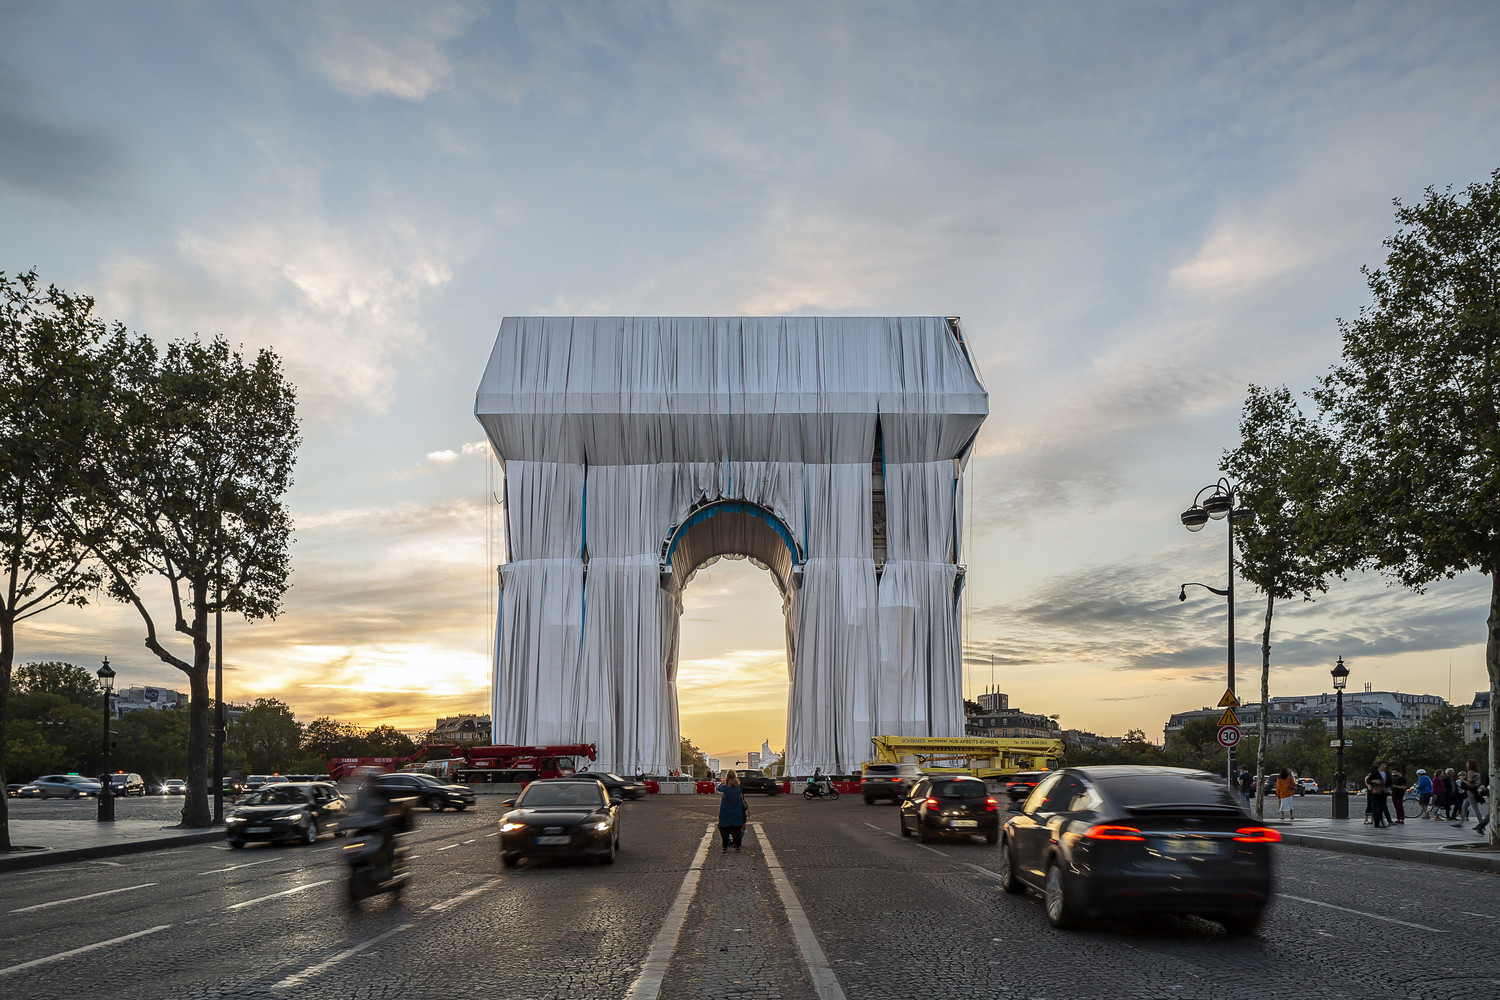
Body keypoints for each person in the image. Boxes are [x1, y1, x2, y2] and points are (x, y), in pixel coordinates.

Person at [716, 770, 747, 852]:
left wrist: (723, 782)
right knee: (736, 829)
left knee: (724, 828)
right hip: (737, 810)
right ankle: (737, 846)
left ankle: (725, 846)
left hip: (725, 811)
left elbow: (718, 788)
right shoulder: (738, 786)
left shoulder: (725, 787)